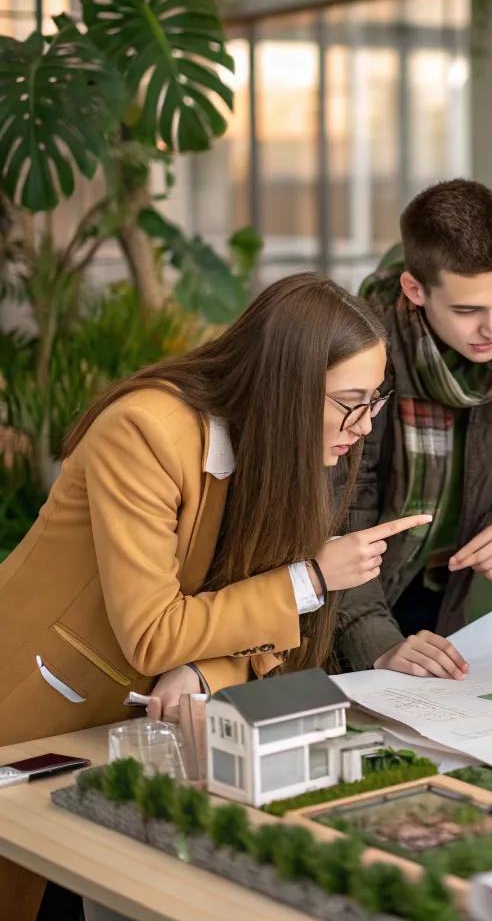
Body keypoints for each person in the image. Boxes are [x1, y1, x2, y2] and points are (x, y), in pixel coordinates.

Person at [0, 273, 430, 920]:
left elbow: (264, 645)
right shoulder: (143, 432)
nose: (365, 425)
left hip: (133, 741)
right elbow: (155, 631)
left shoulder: (290, 453)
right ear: (286, 388)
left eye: (375, 400)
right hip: (32, 723)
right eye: (350, 402)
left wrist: (205, 667)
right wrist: (311, 580)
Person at [334, 179, 492, 679]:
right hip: (351, 610)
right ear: (416, 290)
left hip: (444, 600)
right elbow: (340, 514)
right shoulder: (361, 352)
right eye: (467, 310)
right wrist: (380, 642)